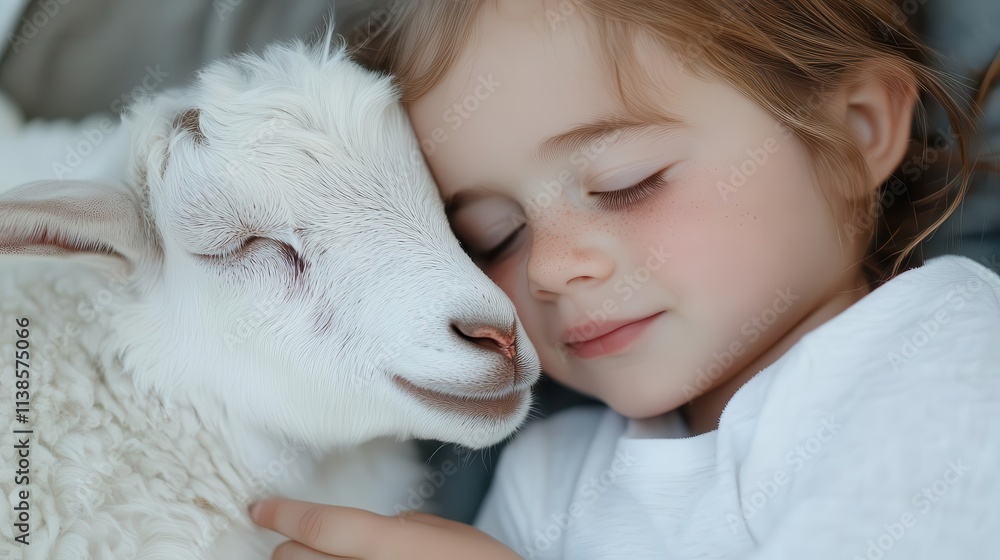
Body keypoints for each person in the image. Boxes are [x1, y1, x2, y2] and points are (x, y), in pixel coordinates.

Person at [248, 1, 1000, 558]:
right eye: (491, 236)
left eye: (625, 182)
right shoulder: (546, 476)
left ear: (855, 130)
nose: (547, 268)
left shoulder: (941, 354)